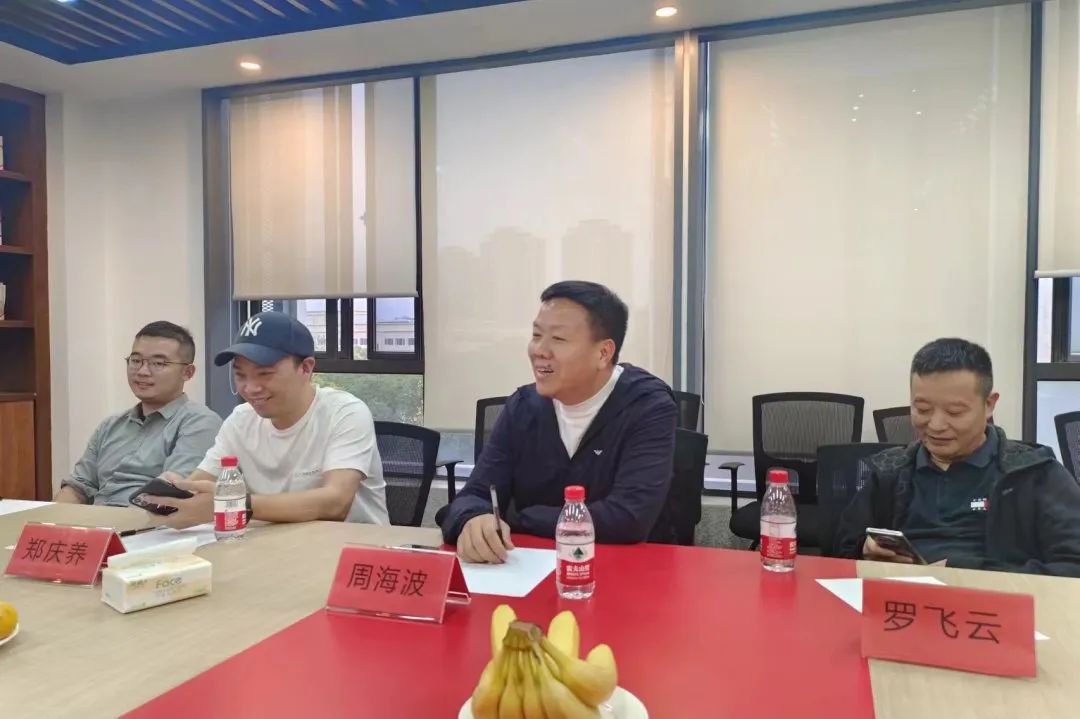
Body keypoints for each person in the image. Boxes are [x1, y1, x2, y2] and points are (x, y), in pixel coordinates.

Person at [440, 281, 678, 564]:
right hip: (530, 568)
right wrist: (473, 518)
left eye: (558, 339)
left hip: (627, 567)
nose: (539, 350)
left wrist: (519, 519)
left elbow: (628, 517)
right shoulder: (523, 407)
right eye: (536, 335)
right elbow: (475, 494)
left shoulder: (647, 407)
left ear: (603, 353)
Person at [835, 338, 1080, 576]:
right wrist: (864, 550)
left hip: (997, 599)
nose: (936, 425)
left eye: (954, 412)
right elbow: (838, 550)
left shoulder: (1034, 473)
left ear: (989, 404)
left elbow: (1073, 565)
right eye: (922, 409)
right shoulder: (890, 471)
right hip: (903, 597)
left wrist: (963, 572)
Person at [145, 311, 390, 527]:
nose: (250, 388)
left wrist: (234, 504)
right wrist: (175, 494)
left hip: (352, 551)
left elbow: (335, 503)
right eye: (240, 375)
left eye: (265, 374)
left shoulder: (345, 412)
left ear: (306, 368)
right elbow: (198, 485)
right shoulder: (241, 420)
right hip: (277, 547)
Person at [54, 322, 221, 506]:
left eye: (158, 363)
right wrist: (52, 518)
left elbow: (174, 492)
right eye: (135, 360)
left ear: (187, 372)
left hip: (146, 520)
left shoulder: (200, 423)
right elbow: (78, 486)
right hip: (96, 520)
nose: (142, 372)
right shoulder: (110, 426)